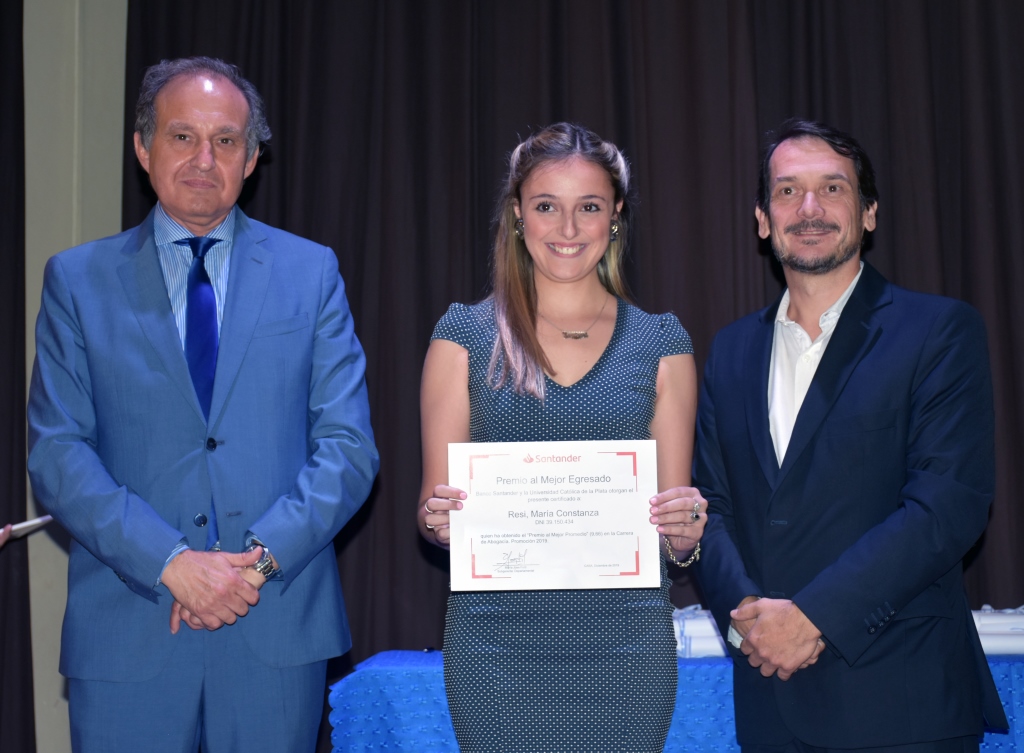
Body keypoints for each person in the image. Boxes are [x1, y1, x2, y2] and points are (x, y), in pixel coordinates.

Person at [27, 57, 378, 752]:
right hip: (131, 625)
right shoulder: (77, 280)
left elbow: (348, 446)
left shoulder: (311, 273)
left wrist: (256, 562)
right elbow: (58, 452)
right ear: (141, 146)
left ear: (251, 159)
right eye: (182, 136)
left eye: (225, 141)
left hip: (272, 621)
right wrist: (171, 560)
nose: (202, 158)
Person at [693, 118, 1009, 752]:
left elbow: (946, 507)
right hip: (769, 699)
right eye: (787, 192)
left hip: (903, 702)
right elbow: (712, 509)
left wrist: (812, 620)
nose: (809, 209)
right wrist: (755, 625)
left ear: (869, 213)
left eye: (832, 189)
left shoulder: (938, 331)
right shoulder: (731, 351)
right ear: (762, 219)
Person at [417, 122, 706, 751]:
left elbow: (673, 520)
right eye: (547, 206)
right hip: (494, 649)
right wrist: (441, 519)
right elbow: (432, 511)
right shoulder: (462, 338)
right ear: (518, 215)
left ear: (616, 217)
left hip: (627, 652)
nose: (568, 229)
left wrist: (683, 536)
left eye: (589, 208)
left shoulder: (663, 344)